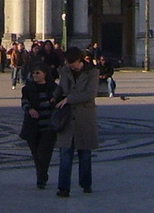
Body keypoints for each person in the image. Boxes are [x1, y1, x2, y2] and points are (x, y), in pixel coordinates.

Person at [55, 47, 99, 197]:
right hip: (67, 117)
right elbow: (61, 87)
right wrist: (54, 97)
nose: (70, 65)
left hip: (84, 116)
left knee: (85, 154)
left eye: (72, 62)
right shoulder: (65, 71)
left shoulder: (92, 72)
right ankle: (63, 187)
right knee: (65, 153)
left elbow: (90, 94)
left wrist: (69, 99)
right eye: (68, 62)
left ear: (80, 60)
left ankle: (86, 184)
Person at [19, 64, 59, 189]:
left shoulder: (53, 88)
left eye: (38, 73)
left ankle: (42, 176)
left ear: (45, 74)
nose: (35, 76)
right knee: (36, 153)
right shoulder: (28, 88)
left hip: (49, 125)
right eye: (33, 73)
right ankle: (41, 174)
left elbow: (58, 102)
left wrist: (53, 103)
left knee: (44, 152)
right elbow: (24, 101)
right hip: (33, 126)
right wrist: (29, 109)